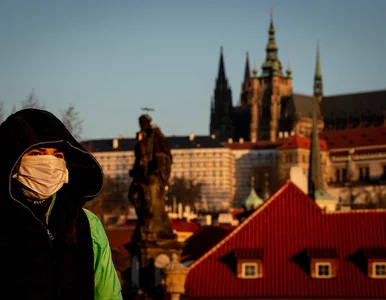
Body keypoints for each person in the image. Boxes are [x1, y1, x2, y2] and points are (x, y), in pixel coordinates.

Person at [0, 108, 122, 300]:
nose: (49, 163)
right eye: (38, 153)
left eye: (57, 155)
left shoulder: (86, 224)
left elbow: (108, 295)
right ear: (13, 159)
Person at [128, 114, 175, 242]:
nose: (141, 125)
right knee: (133, 195)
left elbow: (163, 155)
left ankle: (152, 224)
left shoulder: (155, 135)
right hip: (141, 175)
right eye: (140, 123)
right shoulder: (142, 138)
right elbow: (140, 158)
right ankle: (143, 220)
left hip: (153, 175)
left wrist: (157, 171)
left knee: (149, 198)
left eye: (143, 122)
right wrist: (134, 170)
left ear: (147, 123)